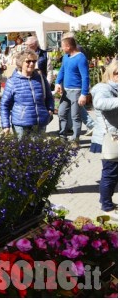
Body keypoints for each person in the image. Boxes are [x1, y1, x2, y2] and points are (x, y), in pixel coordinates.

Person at [0, 49, 54, 139]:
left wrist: (50, 109)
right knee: (23, 151)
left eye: (34, 61)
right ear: (21, 63)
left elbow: (49, 97)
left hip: (40, 123)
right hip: (21, 124)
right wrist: (6, 125)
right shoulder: (12, 81)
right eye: (28, 61)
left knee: (39, 151)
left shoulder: (41, 78)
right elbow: (4, 105)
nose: (32, 64)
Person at [89, 60, 118, 219]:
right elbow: (100, 103)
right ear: (111, 74)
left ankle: (106, 200)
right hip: (111, 139)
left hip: (115, 137)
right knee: (110, 174)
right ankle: (106, 206)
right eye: (116, 73)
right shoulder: (103, 88)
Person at [55, 36, 90, 147]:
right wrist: (57, 82)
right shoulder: (66, 57)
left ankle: (75, 140)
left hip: (77, 91)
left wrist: (84, 94)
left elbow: (85, 77)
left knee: (75, 116)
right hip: (66, 91)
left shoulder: (80, 58)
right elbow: (62, 70)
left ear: (68, 46)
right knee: (61, 113)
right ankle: (62, 137)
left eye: (62, 46)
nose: (62, 49)